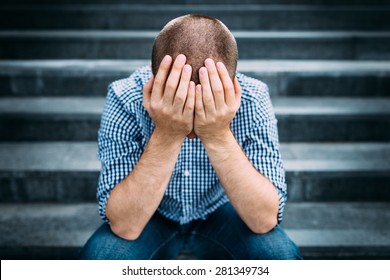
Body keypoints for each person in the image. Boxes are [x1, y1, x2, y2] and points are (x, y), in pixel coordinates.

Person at [80, 14, 302, 260]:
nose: (191, 119)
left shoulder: (252, 97)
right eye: (178, 101)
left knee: (278, 255)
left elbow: (264, 220)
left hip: (221, 212)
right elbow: (125, 225)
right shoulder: (126, 96)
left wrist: (217, 133)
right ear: (155, 83)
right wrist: (167, 132)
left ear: (231, 83)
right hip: (152, 217)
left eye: (209, 103)